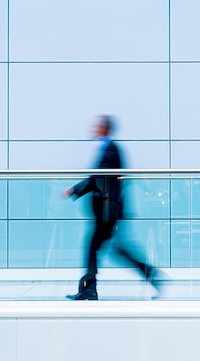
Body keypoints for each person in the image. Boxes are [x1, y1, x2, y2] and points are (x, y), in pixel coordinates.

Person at [62, 115, 161, 300]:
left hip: (107, 211)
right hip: (107, 211)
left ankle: (89, 289)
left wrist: (74, 190)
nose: (93, 130)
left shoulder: (111, 149)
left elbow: (97, 178)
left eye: (97, 126)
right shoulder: (108, 148)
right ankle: (150, 274)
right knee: (115, 249)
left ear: (104, 129)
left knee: (94, 248)